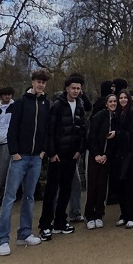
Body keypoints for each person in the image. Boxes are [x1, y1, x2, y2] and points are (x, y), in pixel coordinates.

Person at [0, 70, 50, 256]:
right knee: (10, 197)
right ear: (32, 82)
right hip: (20, 156)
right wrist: (14, 152)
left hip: (36, 157)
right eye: (38, 81)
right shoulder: (20, 103)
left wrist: (42, 151)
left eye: (43, 82)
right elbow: (12, 129)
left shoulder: (46, 103)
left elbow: (46, 129)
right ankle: (2, 239)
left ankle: (24, 233)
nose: (40, 85)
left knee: (29, 196)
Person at [39, 73, 87, 239]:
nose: (76, 91)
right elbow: (50, 131)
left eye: (78, 88)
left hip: (72, 154)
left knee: (66, 188)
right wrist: (51, 153)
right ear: (67, 88)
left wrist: (79, 150)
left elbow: (82, 129)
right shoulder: (57, 106)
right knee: (52, 190)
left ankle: (60, 221)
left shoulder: (80, 105)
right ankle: (45, 224)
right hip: (57, 155)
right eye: (73, 88)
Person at [85, 92, 117, 228]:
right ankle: (89, 215)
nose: (113, 104)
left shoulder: (116, 118)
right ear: (106, 104)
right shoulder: (98, 116)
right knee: (92, 185)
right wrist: (96, 154)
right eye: (111, 101)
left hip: (106, 156)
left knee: (103, 186)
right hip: (94, 155)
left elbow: (113, 143)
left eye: (115, 101)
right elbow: (92, 136)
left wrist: (106, 155)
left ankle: (99, 214)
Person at [113, 89, 133, 228]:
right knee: (121, 186)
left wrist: (117, 134)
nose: (123, 100)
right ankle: (124, 214)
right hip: (120, 154)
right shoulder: (118, 113)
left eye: (125, 98)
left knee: (130, 186)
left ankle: (132, 216)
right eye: (120, 98)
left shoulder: (132, 112)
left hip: (131, 154)